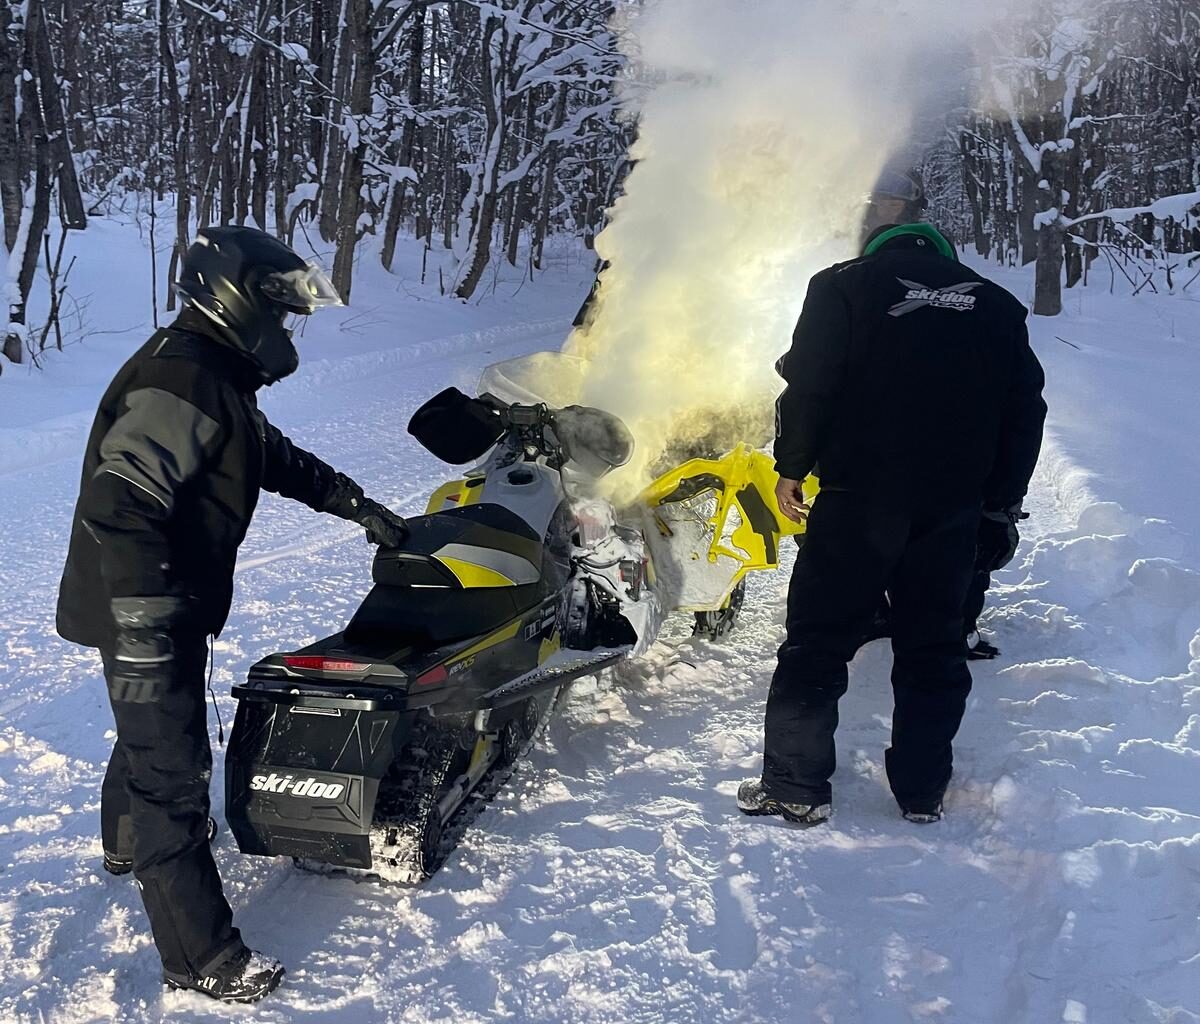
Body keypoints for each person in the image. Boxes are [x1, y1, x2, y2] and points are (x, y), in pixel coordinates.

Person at [56, 226, 409, 1003]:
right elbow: (121, 505)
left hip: (154, 602)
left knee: (149, 741)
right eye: (280, 313)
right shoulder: (180, 381)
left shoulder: (211, 374)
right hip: (142, 605)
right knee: (172, 777)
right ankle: (201, 960)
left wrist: (355, 503)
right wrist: (147, 629)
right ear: (236, 299)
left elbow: (261, 450)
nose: (286, 329)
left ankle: (125, 848)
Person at [738, 220, 1046, 825]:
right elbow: (1025, 412)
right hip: (951, 505)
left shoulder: (840, 286)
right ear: (944, 256)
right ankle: (922, 792)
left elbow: (809, 384)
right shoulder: (998, 303)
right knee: (934, 644)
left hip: (858, 497)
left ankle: (795, 787)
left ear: (874, 252)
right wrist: (1001, 502)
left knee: (817, 639)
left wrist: (792, 466)